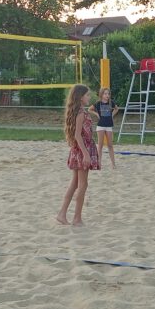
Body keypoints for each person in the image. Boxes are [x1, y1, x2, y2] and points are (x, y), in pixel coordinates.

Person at [57, 84, 99, 226]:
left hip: (78, 150)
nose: (89, 97)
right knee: (83, 185)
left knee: (75, 183)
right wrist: (86, 154)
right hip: (82, 150)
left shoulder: (80, 111)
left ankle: (62, 214)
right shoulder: (81, 113)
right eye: (87, 95)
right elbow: (77, 135)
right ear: (80, 97)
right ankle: (77, 218)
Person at [89, 87, 119, 169]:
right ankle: (99, 163)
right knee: (100, 145)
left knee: (110, 145)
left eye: (108, 94)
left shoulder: (111, 102)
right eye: (105, 94)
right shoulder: (98, 103)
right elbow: (89, 109)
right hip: (101, 126)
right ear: (101, 94)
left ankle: (113, 164)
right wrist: (96, 114)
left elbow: (116, 109)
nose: (107, 95)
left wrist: (112, 115)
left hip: (109, 125)